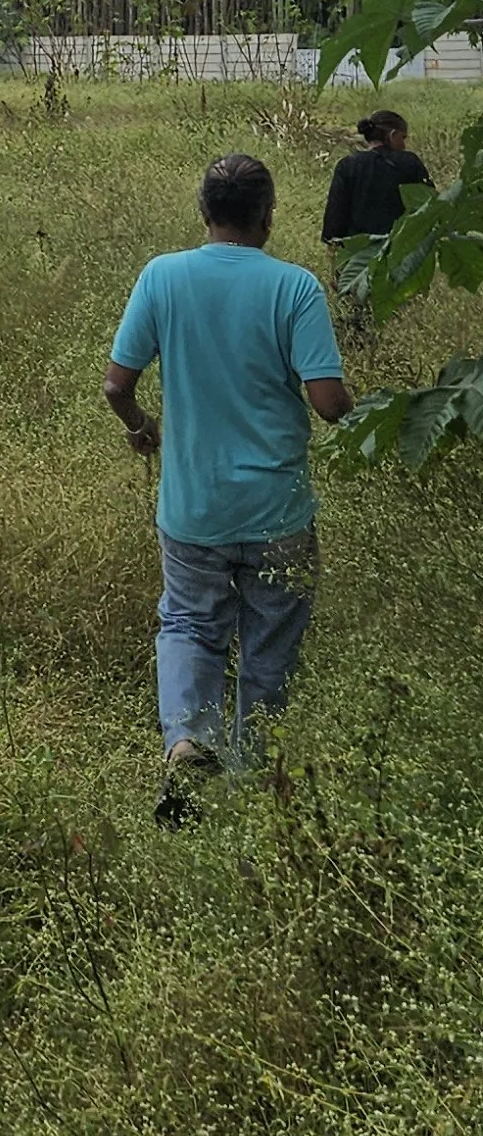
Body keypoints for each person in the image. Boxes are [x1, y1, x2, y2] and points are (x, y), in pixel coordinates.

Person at [103, 154, 353, 822]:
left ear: (203, 211)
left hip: (194, 510)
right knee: (269, 646)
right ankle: (253, 788)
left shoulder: (163, 276)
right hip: (278, 510)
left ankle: (187, 740)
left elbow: (115, 386)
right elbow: (327, 401)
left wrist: (141, 428)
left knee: (189, 625)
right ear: (268, 216)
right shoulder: (295, 288)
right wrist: (374, 417)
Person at [321, 108, 431, 269]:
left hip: (356, 255)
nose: (404, 144)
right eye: (403, 138)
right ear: (392, 135)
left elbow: (335, 215)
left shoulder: (348, 165)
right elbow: (429, 205)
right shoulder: (410, 163)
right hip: (399, 253)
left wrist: (333, 261)